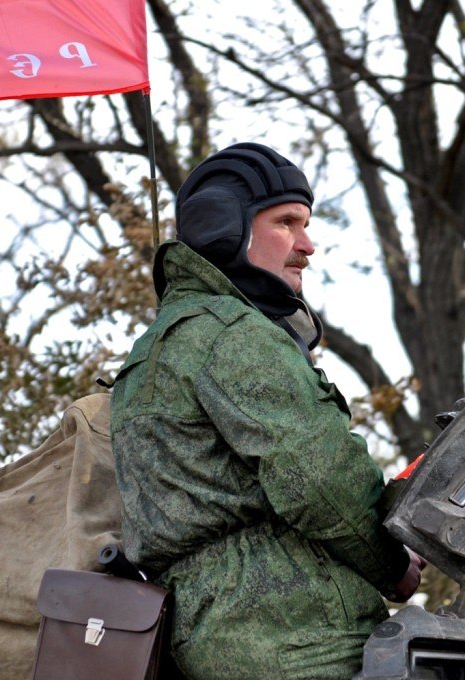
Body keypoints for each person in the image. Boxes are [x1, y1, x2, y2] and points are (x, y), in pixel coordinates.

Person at [110, 143, 423, 679]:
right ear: (220, 229)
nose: (307, 245)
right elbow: (321, 480)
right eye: (286, 223)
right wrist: (393, 565)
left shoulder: (158, 347)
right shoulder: (231, 333)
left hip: (220, 633)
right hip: (298, 638)